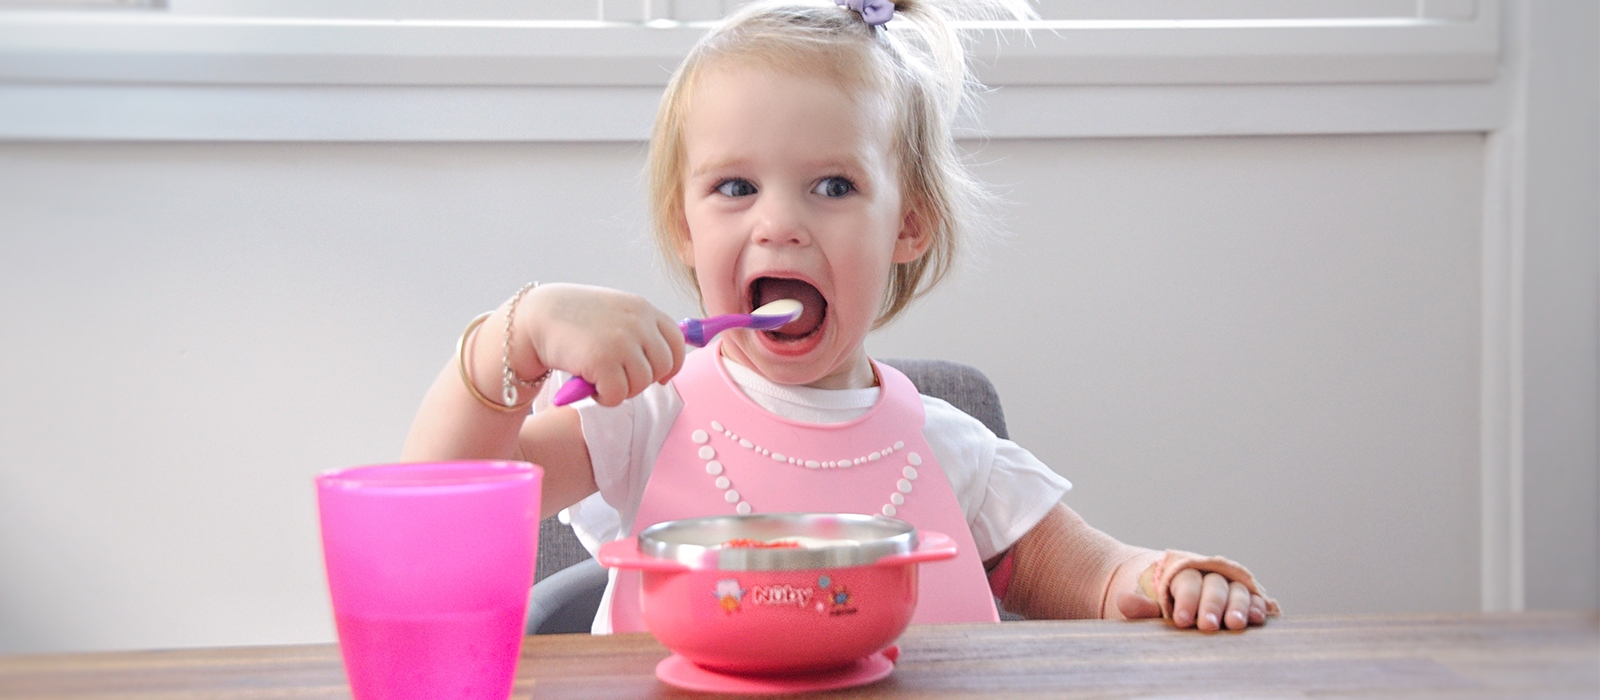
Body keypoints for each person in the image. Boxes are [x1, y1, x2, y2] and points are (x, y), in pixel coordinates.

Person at [403, 0, 1279, 634]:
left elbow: (1093, 573)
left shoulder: (949, 448)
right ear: (685, 222)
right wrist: (510, 336)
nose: (778, 222)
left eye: (833, 186)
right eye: (735, 187)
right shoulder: (644, 416)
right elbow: (439, 521)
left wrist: (1166, 579)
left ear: (909, 223)